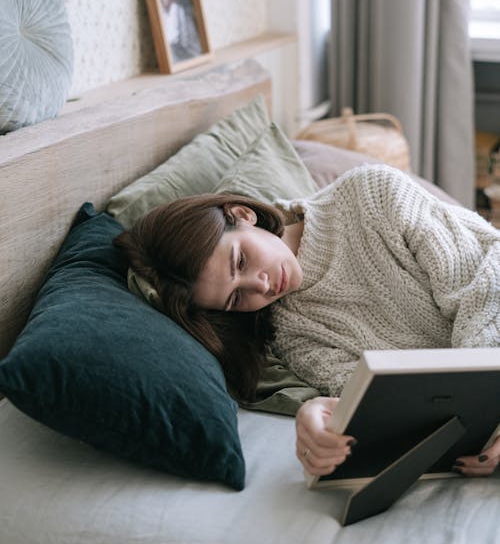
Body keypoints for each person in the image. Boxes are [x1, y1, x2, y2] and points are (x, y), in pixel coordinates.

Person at [114, 163, 500, 478]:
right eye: (236, 297)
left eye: (241, 261)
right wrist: (327, 411)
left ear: (243, 215)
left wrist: (486, 395)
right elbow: (386, 395)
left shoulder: (370, 194)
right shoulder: (291, 335)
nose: (261, 286)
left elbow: (485, 285)